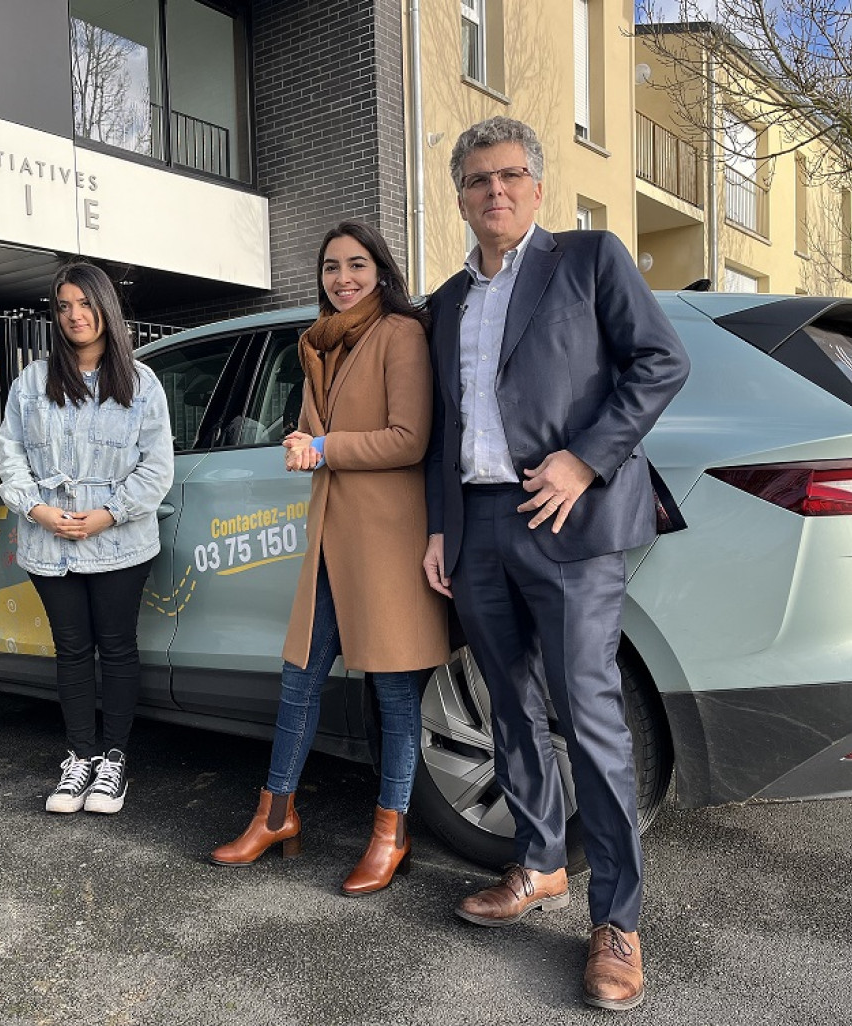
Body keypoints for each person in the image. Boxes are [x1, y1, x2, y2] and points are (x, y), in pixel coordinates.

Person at [422, 117, 690, 1010]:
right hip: (481, 527)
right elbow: (446, 431)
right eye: (476, 181)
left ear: (537, 186)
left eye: (509, 176)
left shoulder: (589, 260)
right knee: (509, 705)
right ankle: (538, 864)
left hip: (568, 521)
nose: (493, 192)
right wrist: (440, 529)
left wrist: (588, 456)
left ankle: (617, 921)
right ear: (459, 196)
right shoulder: (447, 302)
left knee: (591, 719)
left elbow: (661, 361)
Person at [210, 221, 449, 895]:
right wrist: (302, 439)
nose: (342, 277)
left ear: (381, 270)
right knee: (299, 681)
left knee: (395, 692)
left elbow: (409, 438)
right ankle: (277, 815)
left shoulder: (401, 334)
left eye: (356, 264)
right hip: (328, 540)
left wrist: (324, 448)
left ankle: (390, 833)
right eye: (330, 267)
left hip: (383, 540)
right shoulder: (319, 341)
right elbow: (323, 432)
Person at [0, 262, 174, 815]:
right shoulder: (32, 380)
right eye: (64, 305)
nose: (75, 315)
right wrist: (39, 510)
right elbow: (11, 455)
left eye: (85, 304)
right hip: (49, 542)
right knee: (72, 650)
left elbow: (156, 468)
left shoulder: (141, 383)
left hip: (119, 541)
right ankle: (80, 757)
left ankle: (113, 762)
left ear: (106, 309)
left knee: (117, 648)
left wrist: (108, 514)